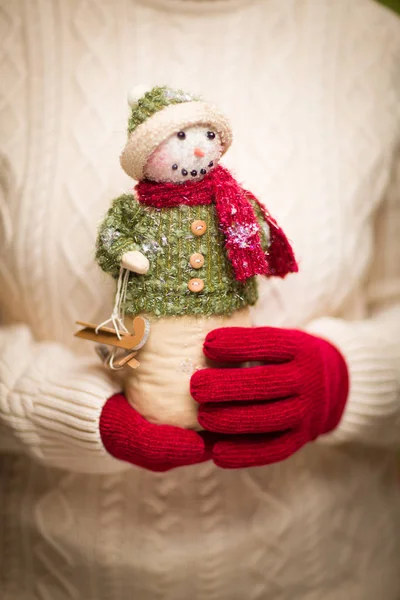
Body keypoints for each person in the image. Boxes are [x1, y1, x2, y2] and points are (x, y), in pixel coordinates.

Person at [0, 0, 399, 598]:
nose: (193, 150)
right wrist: (47, 406)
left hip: (330, 573)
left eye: (202, 136)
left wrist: (349, 380)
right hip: (47, 575)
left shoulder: (377, 40)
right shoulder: (13, 29)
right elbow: (116, 244)